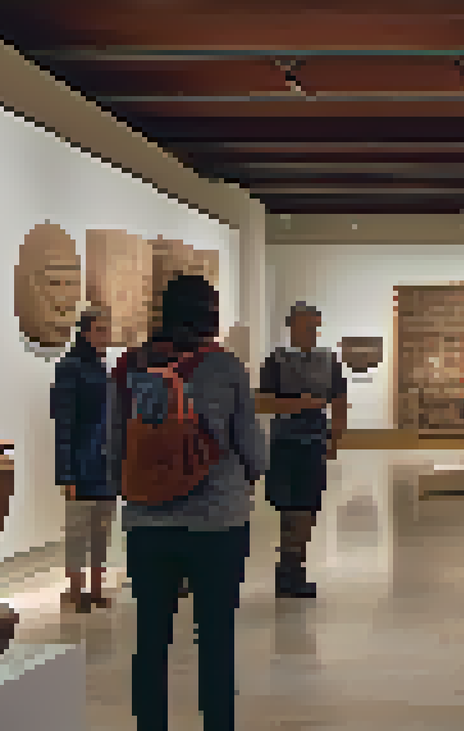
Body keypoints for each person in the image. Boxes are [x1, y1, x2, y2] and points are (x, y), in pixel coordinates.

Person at [111, 274, 265, 731]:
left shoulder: (128, 366)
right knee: (216, 639)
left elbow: (114, 441)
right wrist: (252, 475)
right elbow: (249, 444)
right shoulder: (225, 367)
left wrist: (133, 492)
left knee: (150, 640)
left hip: (147, 523)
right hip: (217, 521)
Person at [258, 302, 347, 599]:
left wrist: (334, 439)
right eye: (305, 326)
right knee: (289, 507)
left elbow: (338, 399)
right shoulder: (276, 360)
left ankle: (295, 568)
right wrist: (300, 403)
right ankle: (287, 569)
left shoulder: (328, 361)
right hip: (285, 442)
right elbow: (264, 402)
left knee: (306, 508)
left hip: (313, 442)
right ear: (292, 327)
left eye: (314, 326)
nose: (310, 332)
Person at [50, 304, 119, 612]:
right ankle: (76, 589)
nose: (106, 336)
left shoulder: (101, 369)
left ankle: (96, 587)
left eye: (107, 330)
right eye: (101, 330)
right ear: (87, 331)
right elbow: (63, 423)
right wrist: (66, 472)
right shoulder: (69, 368)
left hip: (104, 462)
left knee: (101, 528)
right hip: (81, 460)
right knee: (78, 528)